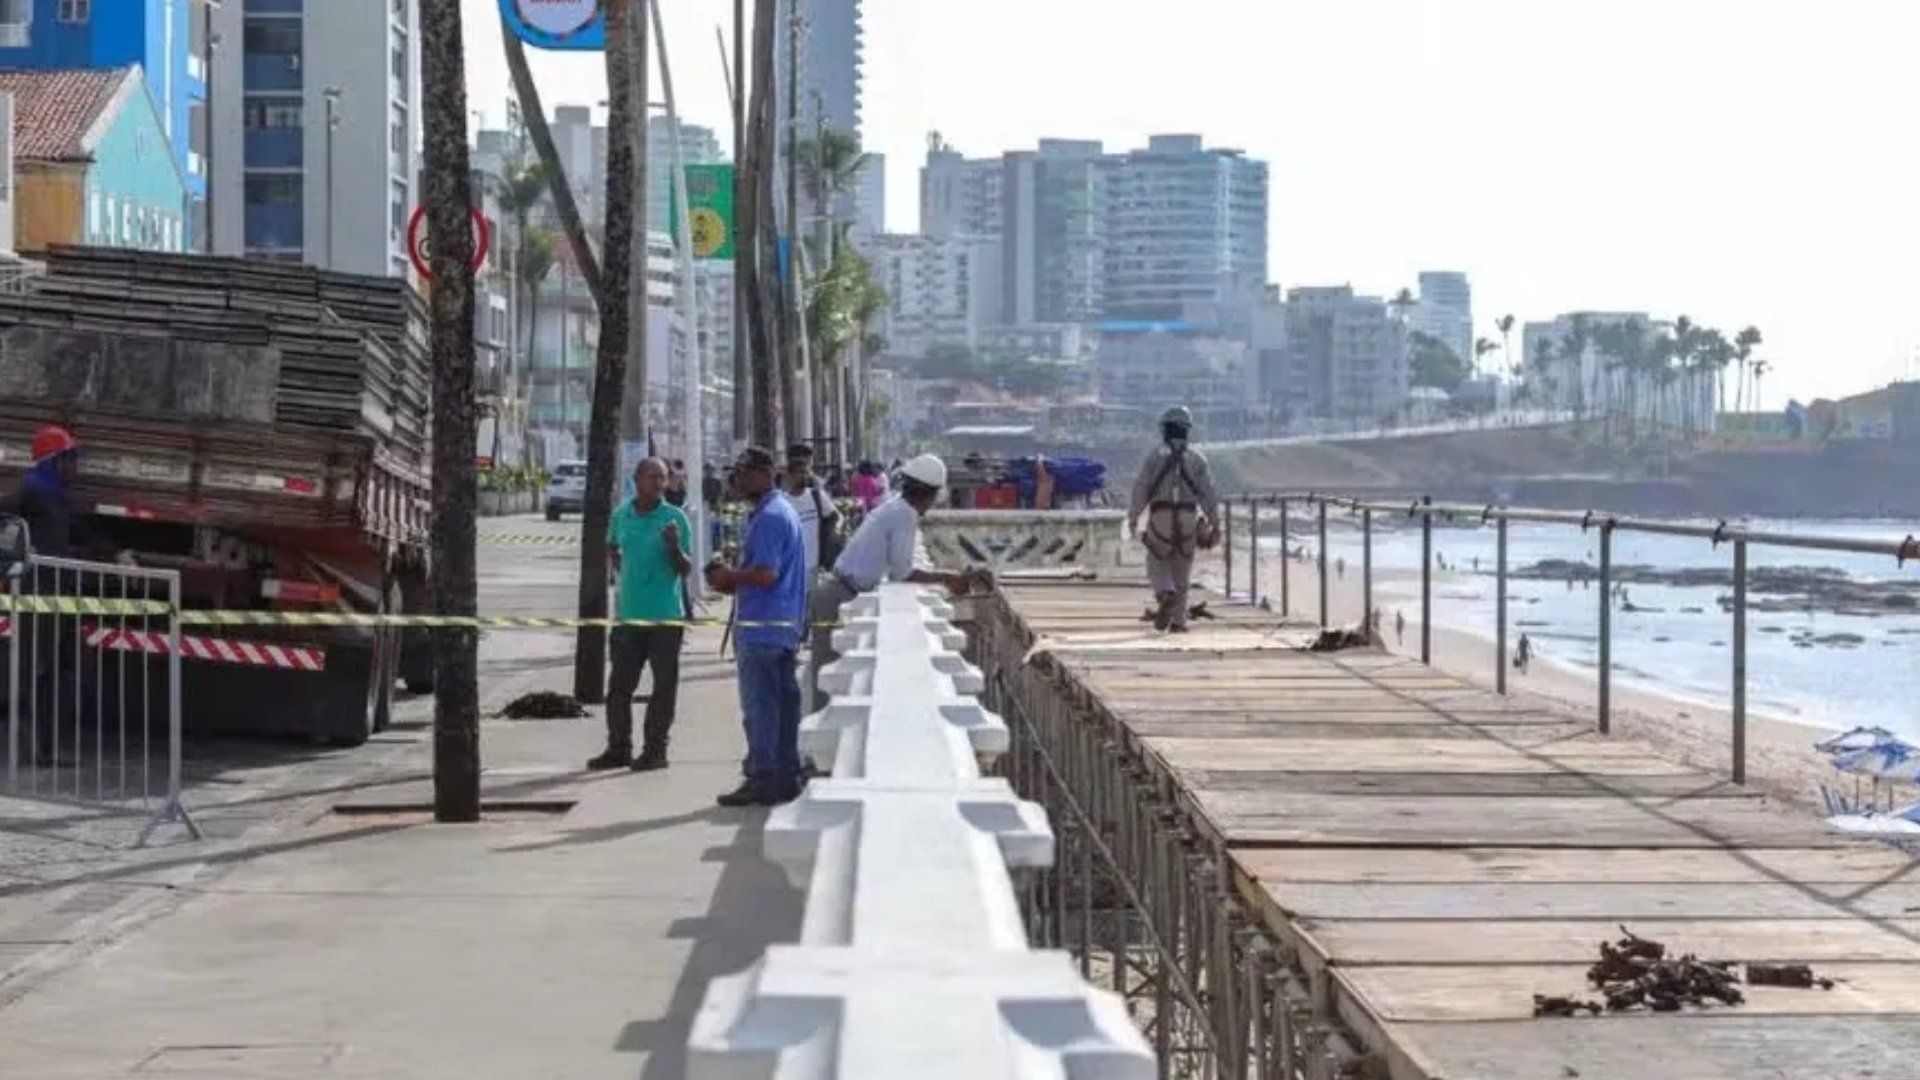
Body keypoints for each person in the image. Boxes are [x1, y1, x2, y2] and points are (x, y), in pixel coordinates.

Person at [808, 454, 983, 701]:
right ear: (930, 494)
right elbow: (903, 573)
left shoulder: (894, 507)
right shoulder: (905, 515)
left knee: (829, 680)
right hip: (839, 597)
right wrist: (947, 578)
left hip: (838, 591)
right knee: (829, 687)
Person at [705, 446, 808, 807]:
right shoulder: (780, 512)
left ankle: (762, 778)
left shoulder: (769, 518)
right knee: (781, 706)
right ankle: (785, 775)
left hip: (763, 628)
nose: (739, 479)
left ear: (765, 474)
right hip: (779, 626)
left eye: (745, 471)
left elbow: (766, 574)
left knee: (761, 709)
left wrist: (728, 576)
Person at [591, 458, 694, 772]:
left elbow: (686, 568)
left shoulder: (675, 518)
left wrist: (674, 547)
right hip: (629, 618)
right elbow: (611, 545)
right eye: (652, 477)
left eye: (663, 478)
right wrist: (620, 565)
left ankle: (655, 749)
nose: (659, 484)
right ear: (636, 480)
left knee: (663, 686)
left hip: (665, 618)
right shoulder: (621, 516)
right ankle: (618, 747)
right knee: (620, 688)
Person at [1126, 405, 1220, 632]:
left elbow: (1141, 488)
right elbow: (1208, 492)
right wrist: (1215, 522)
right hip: (1189, 517)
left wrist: (1133, 517)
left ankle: (1165, 593)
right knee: (1183, 569)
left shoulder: (1154, 456)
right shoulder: (1198, 458)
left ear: (1164, 429)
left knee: (1157, 562)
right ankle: (1178, 621)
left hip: (1161, 516)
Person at [781, 443, 842, 592]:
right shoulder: (782, 501)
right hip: (790, 565)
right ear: (789, 475)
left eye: (805, 471)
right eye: (797, 472)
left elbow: (835, 517)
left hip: (813, 564)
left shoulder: (816, 495)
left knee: (809, 607)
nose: (802, 476)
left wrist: (830, 539)